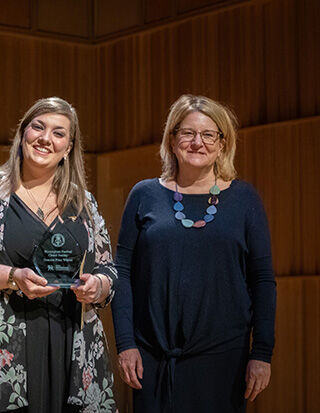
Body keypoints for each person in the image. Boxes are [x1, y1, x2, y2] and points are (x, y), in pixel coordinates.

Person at [0, 97, 118, 412]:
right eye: (39, 127)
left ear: (69, 146)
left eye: (58, 133)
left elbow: (108, 269)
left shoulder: (83, 203)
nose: (46, 138)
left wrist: (96, 285)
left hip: (68, 343)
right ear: (23, 133)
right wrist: (12, 277)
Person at [112, 94, 277, 413]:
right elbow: (122, 273)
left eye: (208, 134)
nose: (197, 142)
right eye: (187, 133)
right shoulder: (144, 194)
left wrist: (262, 353)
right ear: (172, 139)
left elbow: (262, 281)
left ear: (222, 143)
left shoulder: (244, 199)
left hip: (225, 360)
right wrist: (125, 344)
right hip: (152, 356)